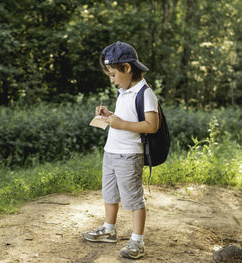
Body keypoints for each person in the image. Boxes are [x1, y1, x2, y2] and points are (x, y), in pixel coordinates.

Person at [82, 41, 159, 259]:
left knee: (133, 199)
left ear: (127, 68)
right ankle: (108, 229)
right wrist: (108, 116)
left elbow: (151, 126)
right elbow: (124, 118)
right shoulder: (123, 91)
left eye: (113, 75)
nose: (112, 80)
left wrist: (121, 124)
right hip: (111, 152)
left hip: (129, 154)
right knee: (110, 194)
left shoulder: (145, 93)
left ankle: (137, 241)